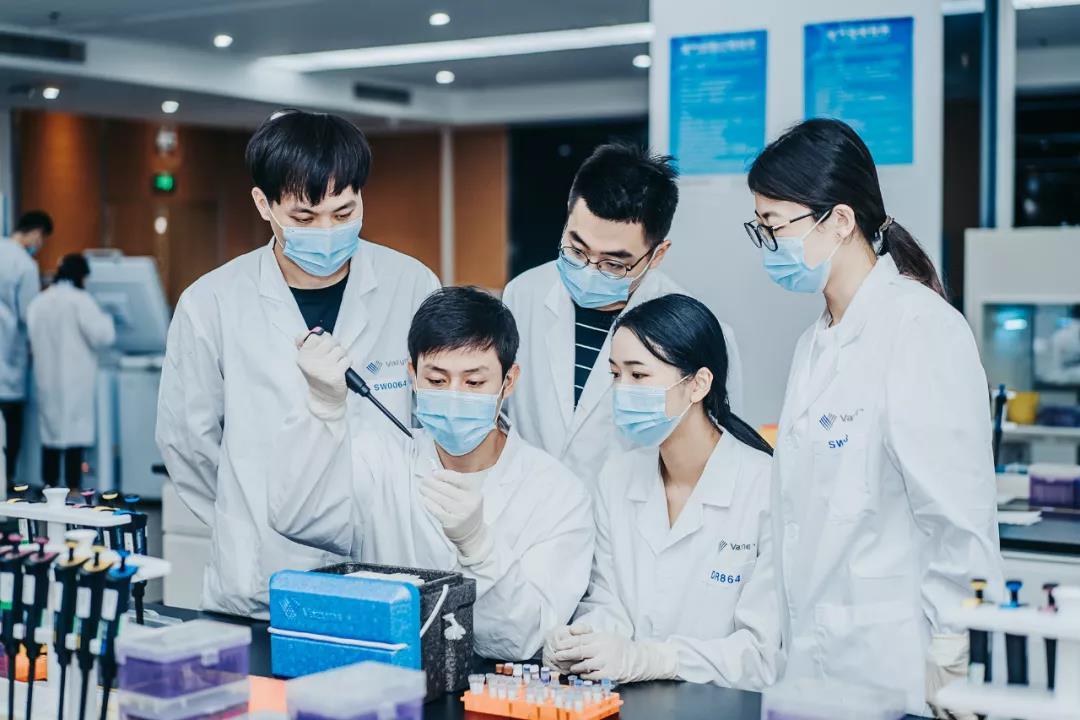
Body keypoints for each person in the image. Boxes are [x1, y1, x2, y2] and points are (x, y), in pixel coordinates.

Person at [744, 118, 1002, 715]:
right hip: (812, 668)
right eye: (760, 228)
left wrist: (955, 648)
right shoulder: (814, 344)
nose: (769, 245)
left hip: (892, 666)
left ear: (839, 220)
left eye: (774, 226)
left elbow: (958, 519)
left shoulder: (920, 328)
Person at [156, 109, 440, 618]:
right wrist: (247, 519)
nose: (327, 230)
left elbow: (431, 422)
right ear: (262, 204)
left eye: (344, 212)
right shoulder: (212, 301)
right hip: (262, 574)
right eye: (304, 219)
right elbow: (188, 443)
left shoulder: (411, 284)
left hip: (385, 566)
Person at [268, 287, 594, 660]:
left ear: (509, 380)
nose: (454, 395)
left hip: (488, 685)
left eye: (474, 382)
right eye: (437, 381)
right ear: (412, 375)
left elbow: (522, 639)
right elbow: (296, 518)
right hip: (380, 671)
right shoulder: (379, 458)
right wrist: (323, 408)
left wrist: (479, 549)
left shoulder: (558, 493)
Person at [543, 294, 779, 688]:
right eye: (615, 374)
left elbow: (761, 654)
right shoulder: (617, 476)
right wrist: (581, 640)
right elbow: (607, 600)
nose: (622, 390)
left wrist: (654, 658)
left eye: (638, 375)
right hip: (632, 701)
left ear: (698, 384)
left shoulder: (765, 486)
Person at [502, 144, 744, 486]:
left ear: (657, 254)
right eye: (577, 249)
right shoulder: (523, 294)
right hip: (533, 505)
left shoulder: (699, 330)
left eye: (614, 264)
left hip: (636, 514)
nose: (589, 270)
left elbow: (717, 452)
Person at [27, 254, 115, 490]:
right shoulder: (81, 300)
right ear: (82, 276)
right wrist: (109, 318)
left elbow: (30, 335)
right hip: (76, 378)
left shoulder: (39, 301)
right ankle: (74, 488)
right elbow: (103, 335)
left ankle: (50, 486)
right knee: (75, 434)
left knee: (50, 434)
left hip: (45, 377)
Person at [0, 210, 52, 489]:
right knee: (10, 423)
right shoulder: (25, 265)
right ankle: (6, 478)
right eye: (42, 239)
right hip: (9, 355)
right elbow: (29, 315)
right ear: (36, 233)